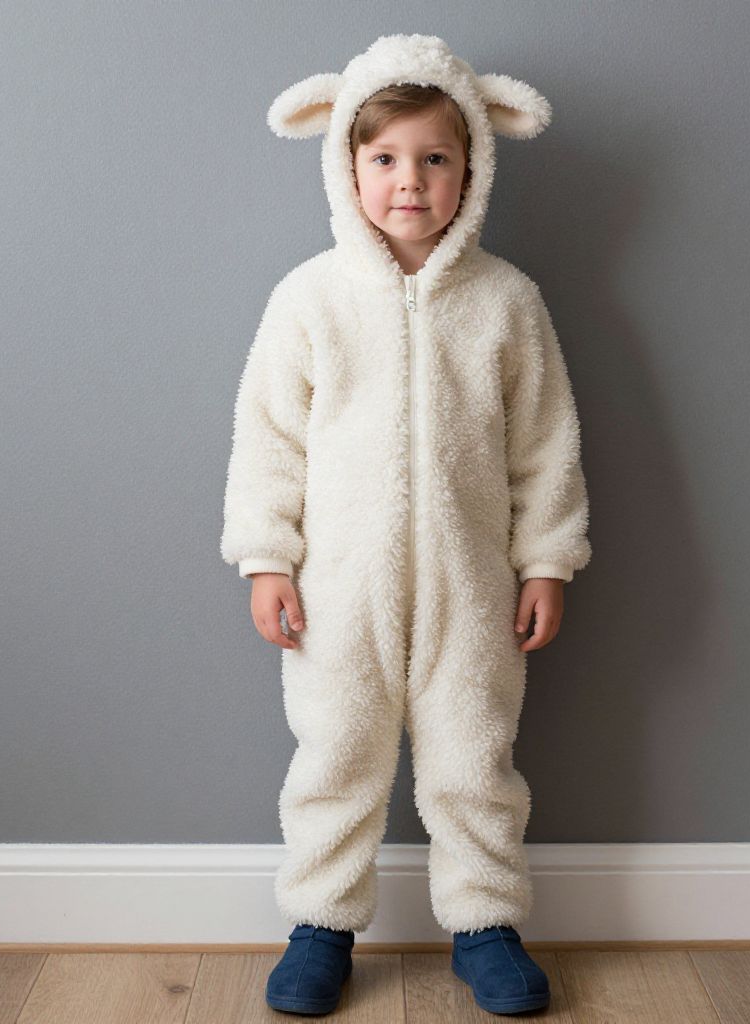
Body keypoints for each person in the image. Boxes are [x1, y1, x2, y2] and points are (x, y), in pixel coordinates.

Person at [221, 33, 592, 1016]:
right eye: (384, 158)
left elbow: (545, 443)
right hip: (337, 592)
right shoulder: (310, 298)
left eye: (435, 158)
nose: (410, 181)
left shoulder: (506, 302)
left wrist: (546, 561)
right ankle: (320, 924)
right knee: (334, 756)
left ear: (474, 166)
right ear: (346, 165)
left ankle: (484, 923)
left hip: (474, 590)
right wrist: (267, 557)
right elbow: (267, 440)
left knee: (475, 758)